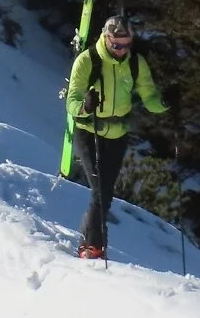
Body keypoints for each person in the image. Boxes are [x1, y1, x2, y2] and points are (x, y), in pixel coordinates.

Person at [64, 15, 167, 259]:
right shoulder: (87, 60)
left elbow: (149, 97)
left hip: (118, 134)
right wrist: (85, 106)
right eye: (116, 45)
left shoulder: (135, 63)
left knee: (105, 193)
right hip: (89, 131)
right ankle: (94, 246)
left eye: (127, 44)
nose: (122, 50)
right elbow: (72, 100)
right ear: (106, 38)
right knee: (100, 190)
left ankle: (88, 241)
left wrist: (165, 104)